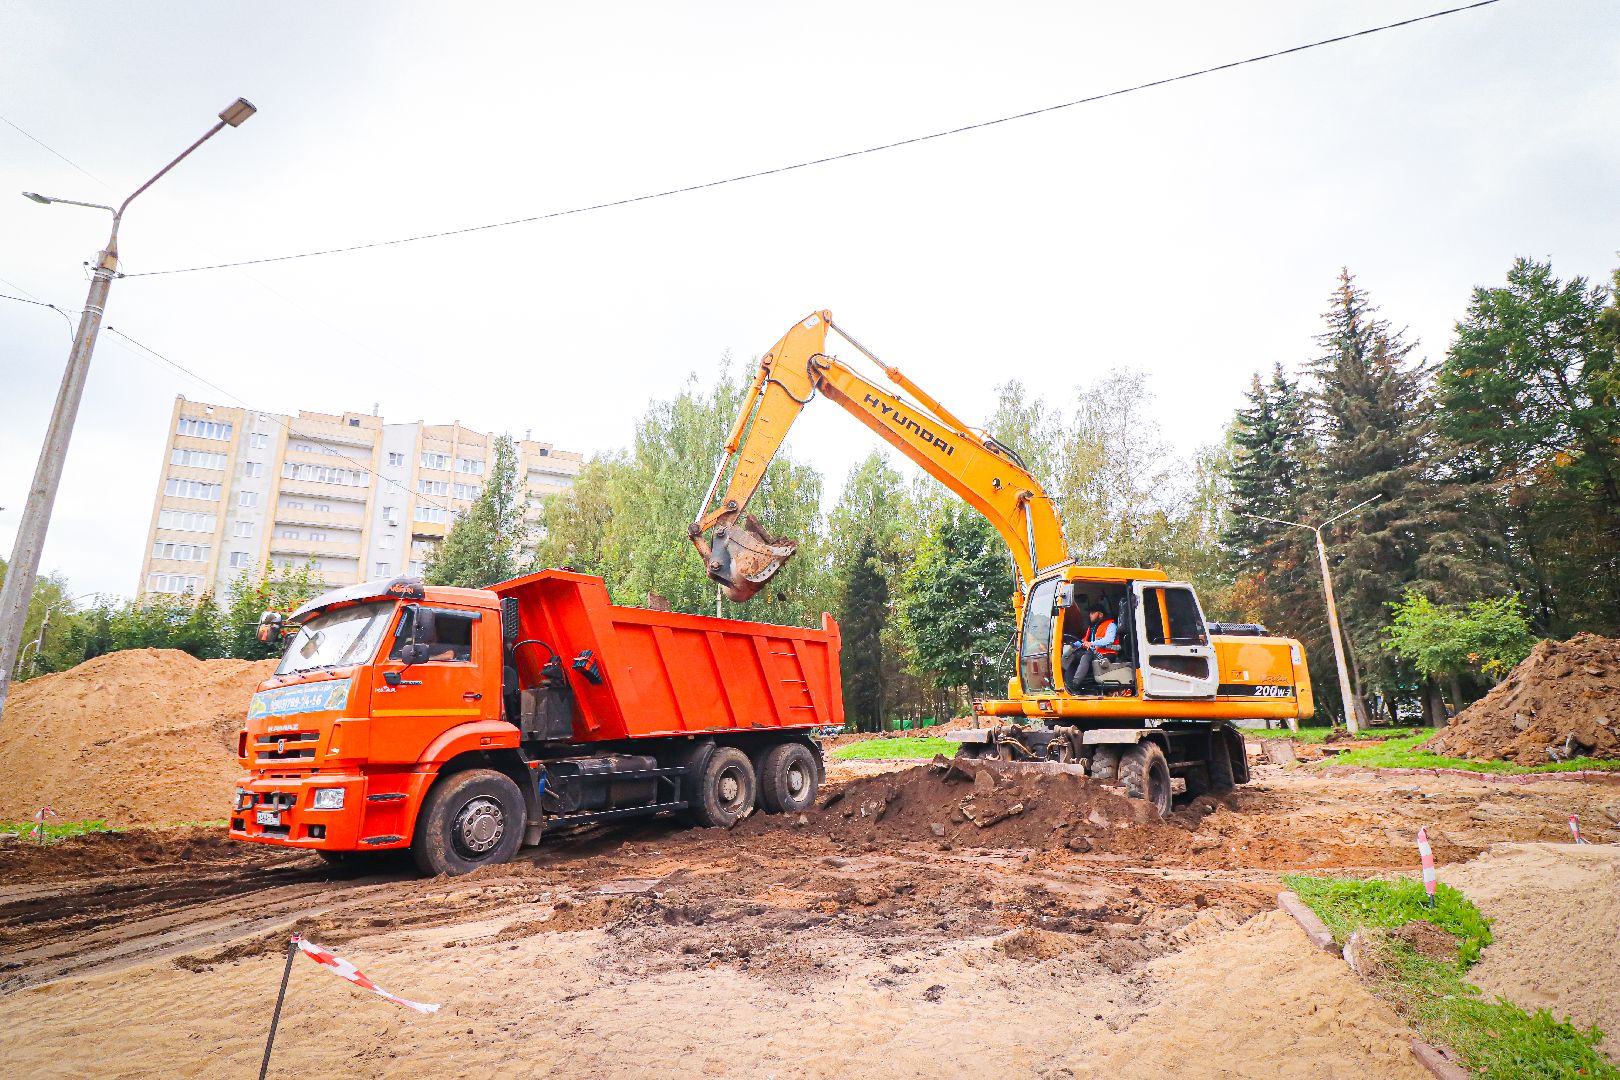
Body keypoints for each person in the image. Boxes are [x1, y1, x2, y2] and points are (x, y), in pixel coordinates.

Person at [1063, 602, 1118, 692]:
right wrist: (1072, 643)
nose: (1090, 615)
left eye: (1092, 613)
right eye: (1090, 613)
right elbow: (1084, 641)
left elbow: (1109, 640)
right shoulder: (1092, 628)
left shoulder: (1111, 625)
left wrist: (1091, 643)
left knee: (1086, 656)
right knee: (1073, 656)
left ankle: (1075, 684)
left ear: (1100, 614)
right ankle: (1067, 683)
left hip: (1107, 653)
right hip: (1095, 653)